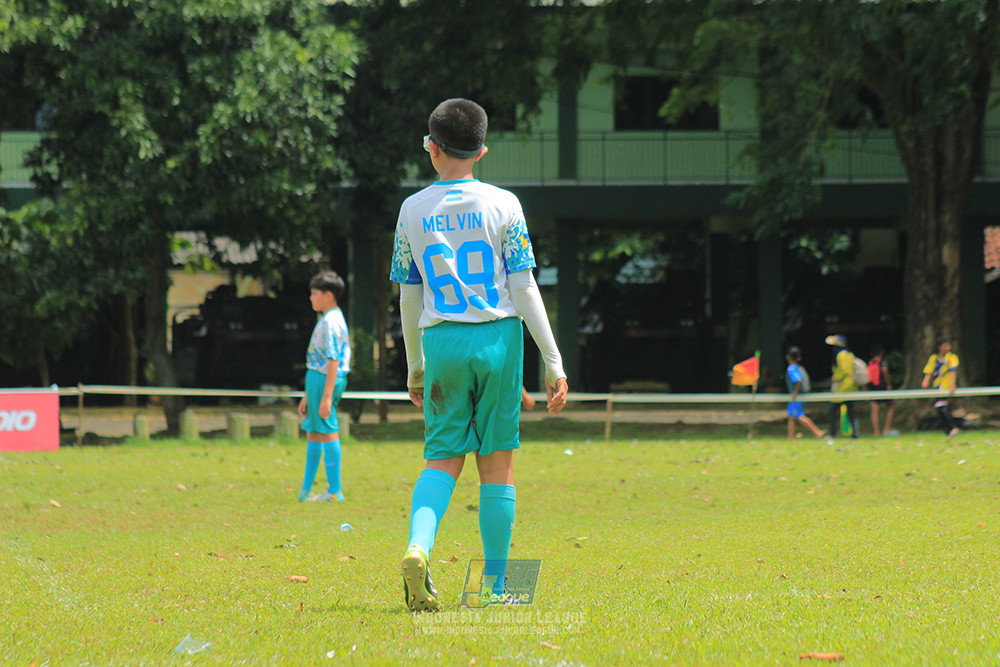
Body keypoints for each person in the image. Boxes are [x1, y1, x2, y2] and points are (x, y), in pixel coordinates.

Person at [390, 98, 569, 612]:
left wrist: (415, 366)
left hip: (441, 340)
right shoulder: (505, 204)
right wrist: (553, 362)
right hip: (498, 339)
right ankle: (497, 589)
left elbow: (408, 295)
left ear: (431, 147)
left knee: (441, 458)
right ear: (483, 150)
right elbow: (525, 286)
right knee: (498, 468)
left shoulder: (412, 210)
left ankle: (418, 548)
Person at [297, 271, 352, 502]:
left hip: (324, 379)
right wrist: (307, 395)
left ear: (328, 295)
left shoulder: (330, 321)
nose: (311, 298)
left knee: (327, 431)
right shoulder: (328, 318)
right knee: (314, 431)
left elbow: (333, 359)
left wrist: (326, 396)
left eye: (314, 294)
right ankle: (306, 490)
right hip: (316, 380)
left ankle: (334, 490)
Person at [921, 335, 960, 438]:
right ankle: (949, 430)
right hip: (938, 387)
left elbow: (953, 372)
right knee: (940, 409)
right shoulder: (934, 358)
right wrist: (926, 381)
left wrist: (953, 384)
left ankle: (951, 428)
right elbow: (929, 371)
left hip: (946, 387)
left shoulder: (951, 358)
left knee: (941, 408)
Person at [785, 346, 824, 439]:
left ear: (787, 356)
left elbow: (798, 380)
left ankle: (817, 432)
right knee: (792, 416)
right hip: (800, 395)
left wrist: (795, 392)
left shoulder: (792, 368)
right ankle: (790, 437)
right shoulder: (799, 367)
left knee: (797, 416)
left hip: (797, 396)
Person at [825, 334, 859, 438]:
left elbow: (845, 371)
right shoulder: (849, 354)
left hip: (843, 387)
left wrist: (835, 377)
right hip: (850, 387)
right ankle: (855, 434)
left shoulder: (841, 355)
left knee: (832, 410)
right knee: (850, 412)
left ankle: (832, 434)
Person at [867, 344, 898, 436]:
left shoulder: (870, 363)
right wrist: (889, 385)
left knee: (874, 410)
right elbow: (885, 373)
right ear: (881, 352)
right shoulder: (883, 362)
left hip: (872, 388)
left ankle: (876, 432)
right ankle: (887, 429)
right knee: (891, 406)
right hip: (882, 387)